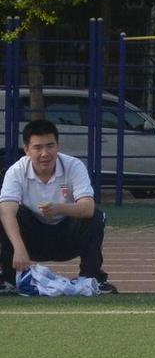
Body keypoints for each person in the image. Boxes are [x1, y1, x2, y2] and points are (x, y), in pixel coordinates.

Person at [0, 119, 117, 294]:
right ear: (26, 150)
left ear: (58, 146)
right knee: (6, 213)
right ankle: (8, 280)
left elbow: (87, 207)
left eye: (50, 146)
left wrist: (59, 208)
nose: (45, 154)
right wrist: (19, 248)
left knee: (95, 216)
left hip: (67, 238)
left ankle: (91, 278)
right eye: (37, 148)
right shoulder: (16, 171)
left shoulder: (74, 166)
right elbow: (6, 211)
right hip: (31, 240)